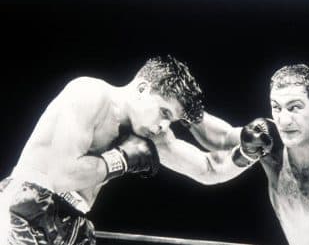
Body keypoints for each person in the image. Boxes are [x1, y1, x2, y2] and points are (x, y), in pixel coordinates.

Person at [0, 55, 247, 244]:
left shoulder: (150, 135)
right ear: (142, 89)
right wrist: (121, 159)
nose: (163, 126)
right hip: (26, 205)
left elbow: (208, 169)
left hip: (74, 221)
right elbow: (61, 176)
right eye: (164, 113)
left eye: (170, 121)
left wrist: (248, 153)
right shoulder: (90, 93)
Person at [162, 64, 309, 245]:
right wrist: (186, 109)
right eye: (276, 107)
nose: (284, 120)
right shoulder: (271, 142)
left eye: (295, 107)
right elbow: (221, 139)